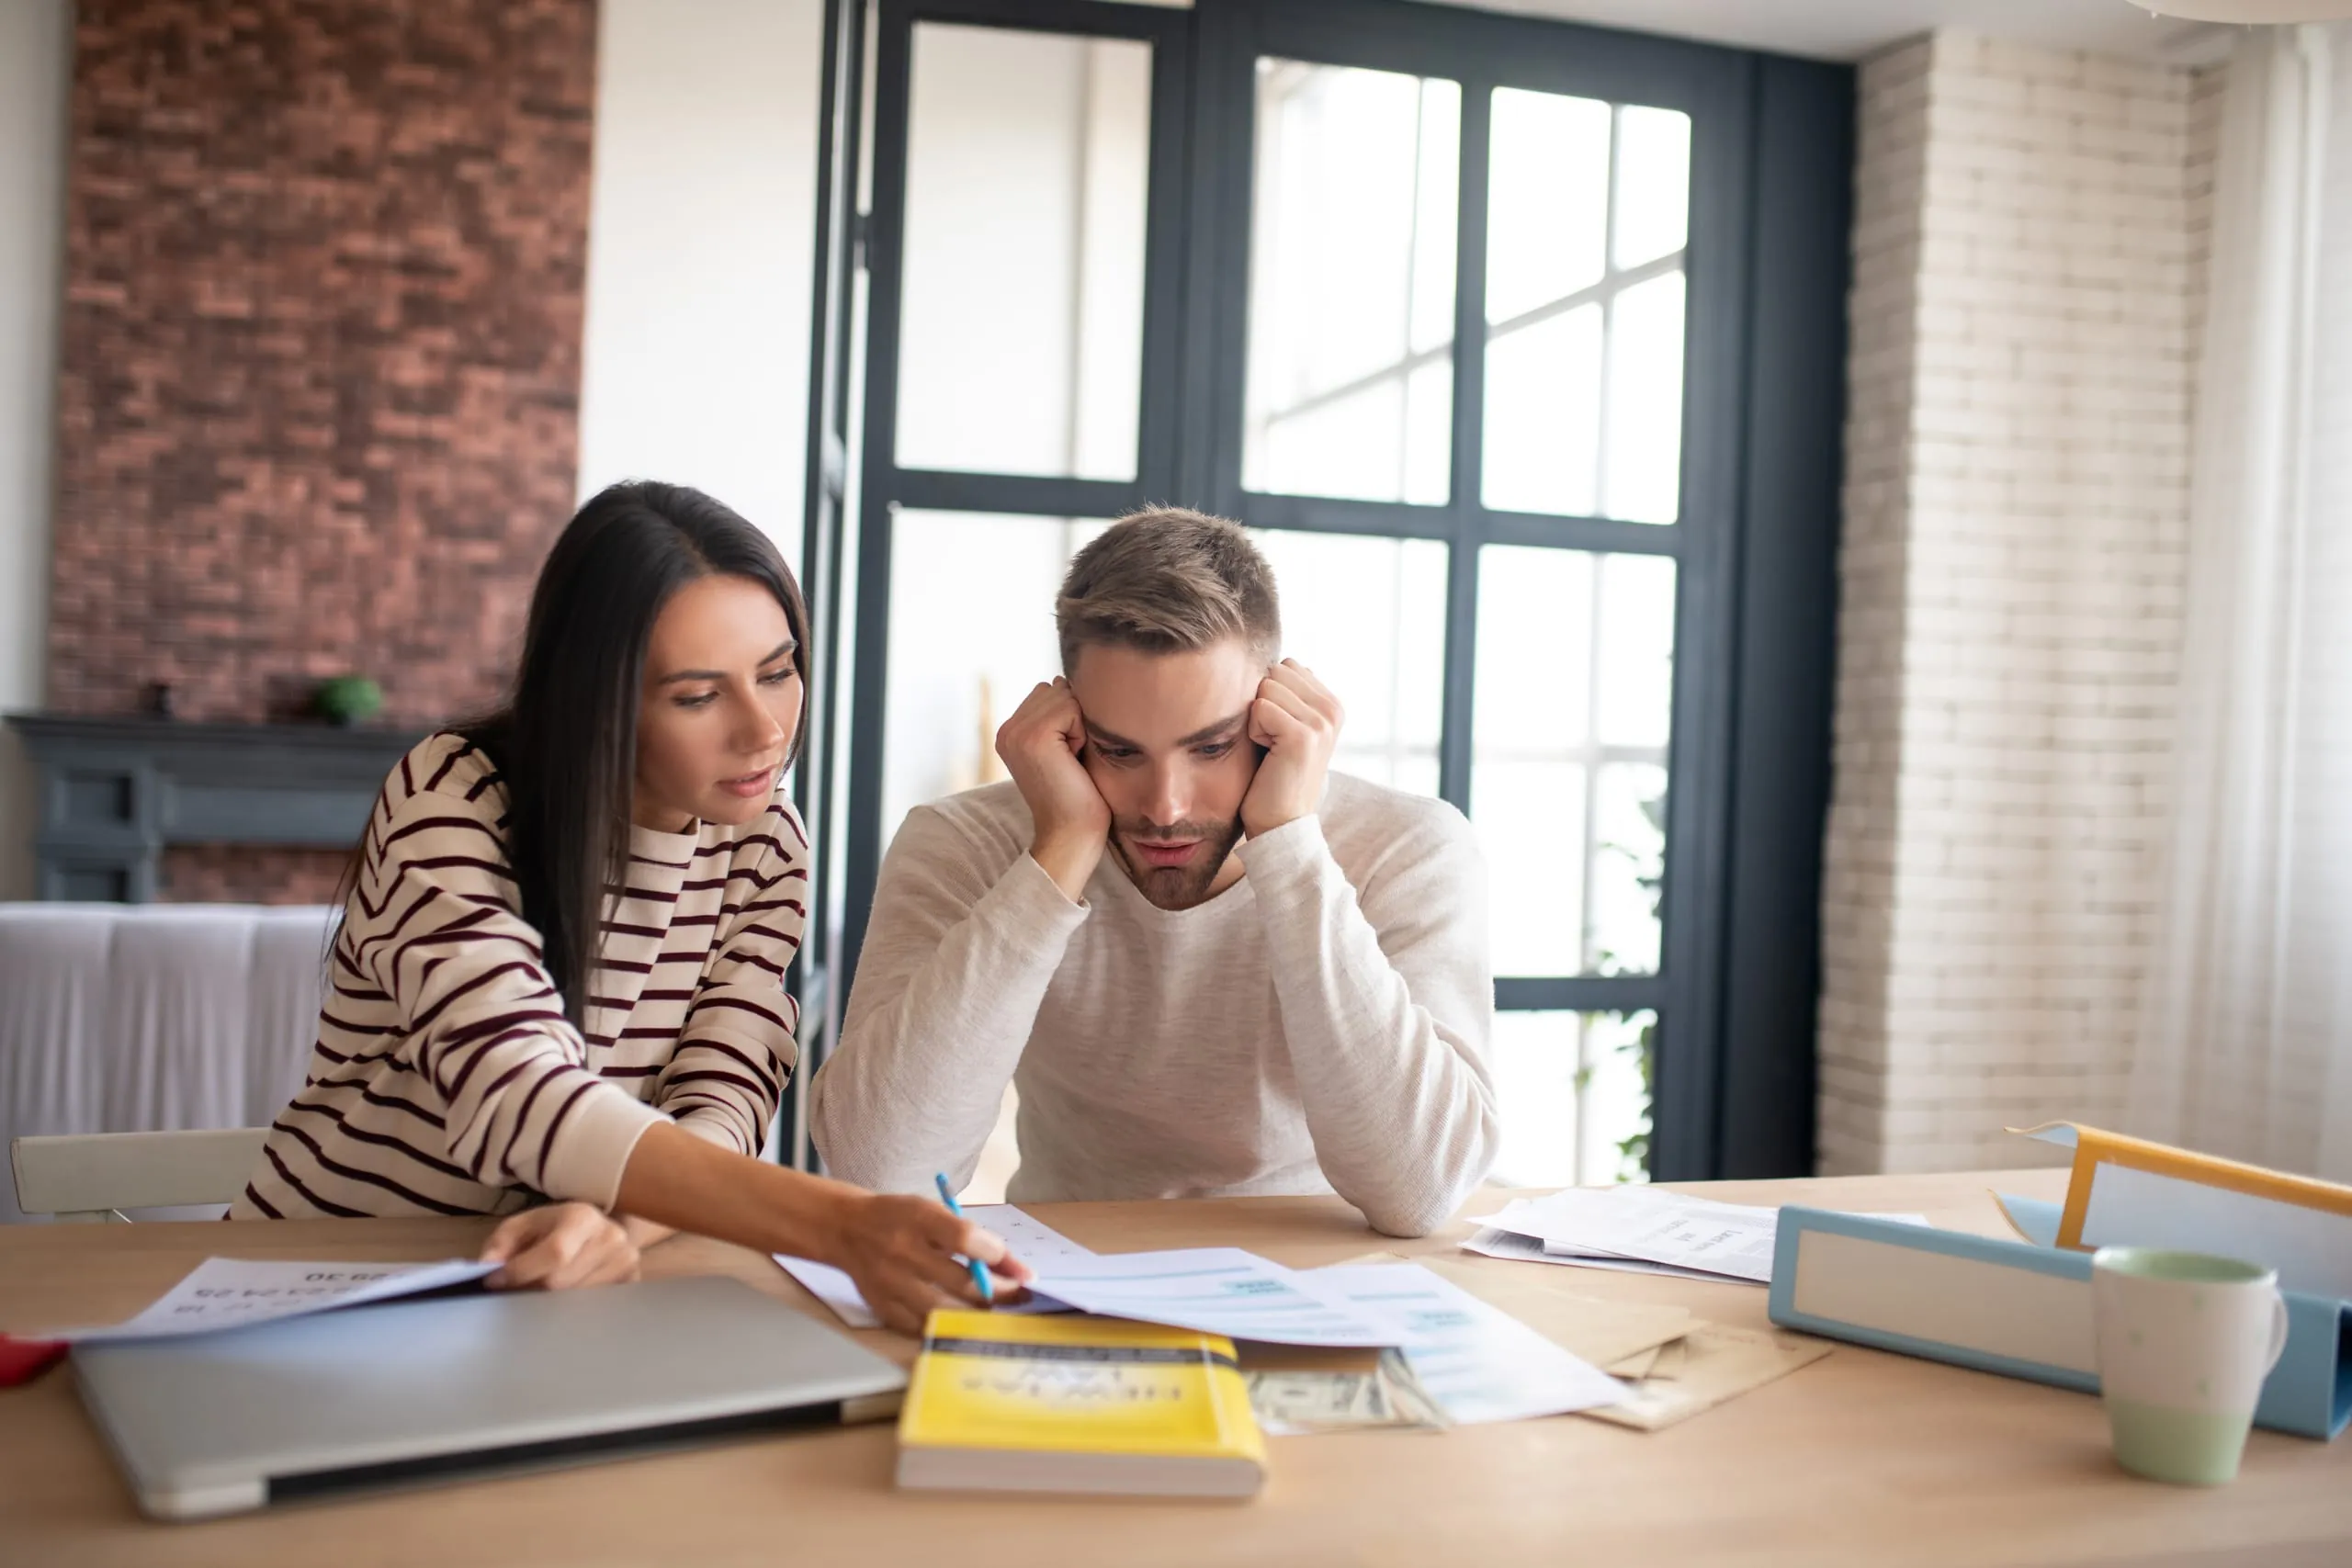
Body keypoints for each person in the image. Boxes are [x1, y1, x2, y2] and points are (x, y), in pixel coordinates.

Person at [232, 481, 1028, 1333]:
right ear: (600, 699)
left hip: (563, 1296)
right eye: (697, 695)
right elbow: (514, 1088)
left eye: (777, 671)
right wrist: (841, 1224)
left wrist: (616, 1221)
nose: (764, 729)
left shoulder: (762, 839)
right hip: (327, 1283)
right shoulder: (455, 794)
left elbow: (724, 1095)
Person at [810, 508, 1496, 1236]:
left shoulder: (1409, 847)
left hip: (1326, 1273)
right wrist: (1061, 850)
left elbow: (1422, 1190)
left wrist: (1289, 845)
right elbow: (878, 1171)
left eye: (1211, 748)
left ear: (1273, 718)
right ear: (1068, 726)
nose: (1165, 808)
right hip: (1061, 1272)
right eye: (1120, 751)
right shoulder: (964, 842)